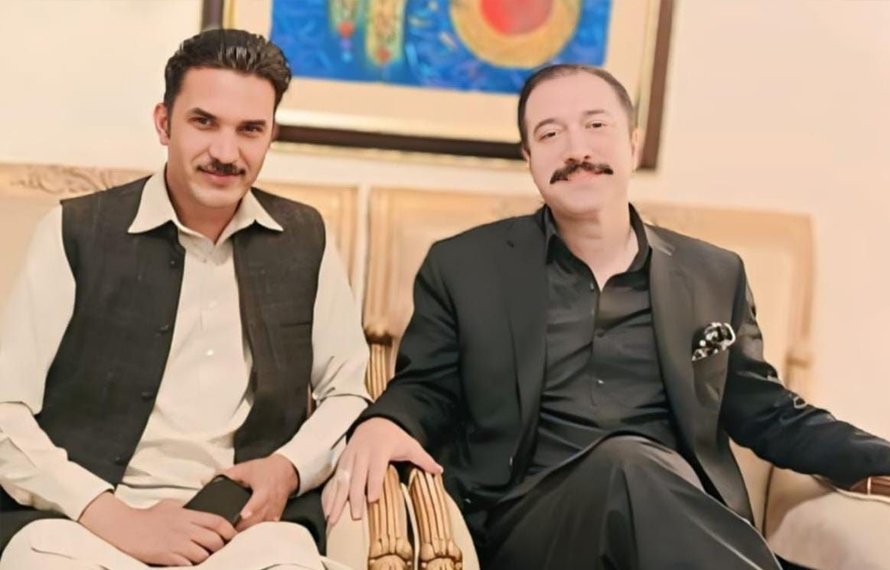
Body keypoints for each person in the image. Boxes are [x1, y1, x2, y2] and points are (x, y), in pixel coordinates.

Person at [326, 64, 890, 570]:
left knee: (641, 469)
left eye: (596, 125)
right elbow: (427, 386)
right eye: (550, 134)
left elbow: (768, 412)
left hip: (680, 523)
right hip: (530, 523)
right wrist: (385, 421)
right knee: (626, 462)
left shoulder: (714, 273)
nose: (576, 149)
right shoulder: (464, 267)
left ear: (633, 144)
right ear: (529, 159)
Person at [0, 29, 369, 569]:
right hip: (89, 527)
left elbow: (349, 391)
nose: (226, 152)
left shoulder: (305, 237)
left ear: (271, 134)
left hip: (246, 537)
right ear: (163, 123)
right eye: (204, 122)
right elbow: (5, 409)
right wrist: (112, 516)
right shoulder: (74, 230)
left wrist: (288, 467)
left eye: (250, 130)